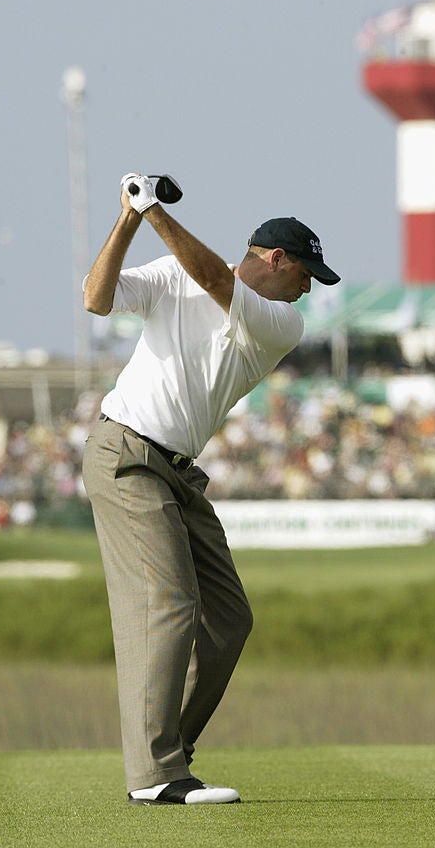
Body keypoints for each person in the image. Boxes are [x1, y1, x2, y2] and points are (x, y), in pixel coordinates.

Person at [81, 173, 340, 806]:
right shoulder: (173, 274)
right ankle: (155, 775)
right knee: (168, 602)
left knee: (228, 617)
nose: (309, 288)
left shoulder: (280, 323)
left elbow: (216, 282)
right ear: (275, 259)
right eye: (305, 273)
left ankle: (172, 751)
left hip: (179, 471)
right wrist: (130, 217)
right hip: (126, 453)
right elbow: (96, 298)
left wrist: (153, 210)